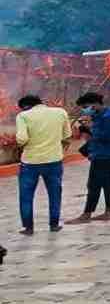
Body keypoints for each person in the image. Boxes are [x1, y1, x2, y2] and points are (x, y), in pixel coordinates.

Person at [64, 92, 110, 224]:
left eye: (86, 106)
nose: (85, 109)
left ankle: (87, 214)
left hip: (105, 155)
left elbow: (107, 137)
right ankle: (108, 212)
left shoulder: (109, 117)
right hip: (99, 153)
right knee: (105, 182)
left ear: (95, 104)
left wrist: (90, 129)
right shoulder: (97, 114)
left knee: (94, 184)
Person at [14, 94, 72, 235]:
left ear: (25, 106)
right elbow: (66, 135)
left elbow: (22, 139)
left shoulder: (23, 116)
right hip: (54, 161)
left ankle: (28, 228)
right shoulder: (60, 112)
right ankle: (54, 225)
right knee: (55, 193)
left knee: (26, 196)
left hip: (30, 162)